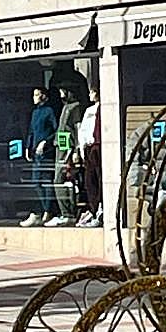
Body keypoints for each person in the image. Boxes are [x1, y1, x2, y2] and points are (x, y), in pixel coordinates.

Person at [20, 87, 58, 227]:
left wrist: (46, 142)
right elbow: (31, 131)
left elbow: (56, 130)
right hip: (35, 152)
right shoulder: (35, 112)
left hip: (46, 152)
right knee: (36, 182)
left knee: (46, 180)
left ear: (44, 96)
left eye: (37, 94)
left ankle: (48, 210)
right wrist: (27, 147)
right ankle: (43, 208)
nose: (34, 97)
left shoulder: (49, 111)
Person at [47, 85, 83, 227]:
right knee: (60, 180)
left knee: (61, 180)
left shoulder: (75, 107)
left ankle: (68, 212)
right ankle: (65, 211)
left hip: (68, 147)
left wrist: (76, 150)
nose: (61, 93)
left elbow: (77, 127)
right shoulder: (65, 107)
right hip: (61, 145)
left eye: (63, 90)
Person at [76, 86, 102, 227]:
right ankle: (94, 210)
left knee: (99, 179)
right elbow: (83, 130)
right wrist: (82, 148)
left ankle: (100, 210)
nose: (90, 94)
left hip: (99, 146)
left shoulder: (103, 110)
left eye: (92, 92)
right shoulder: (89, 111)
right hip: (90, 148)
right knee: (90, 181)